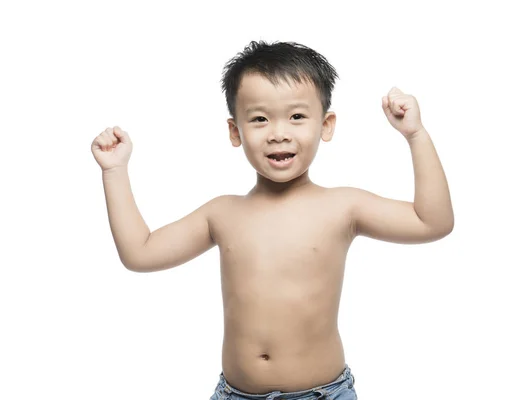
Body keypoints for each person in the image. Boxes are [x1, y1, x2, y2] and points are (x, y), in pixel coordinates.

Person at [91, 40, 454, 399]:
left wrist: (415, 135)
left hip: (322, 394)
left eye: (297, 116)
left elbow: (432, 222)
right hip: (236, 394)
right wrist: (114, 171)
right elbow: (139, 253)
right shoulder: (222, 213)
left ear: (326, 125)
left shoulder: (343, 207)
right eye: (260, 119)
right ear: (236, 132)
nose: (279, 132)